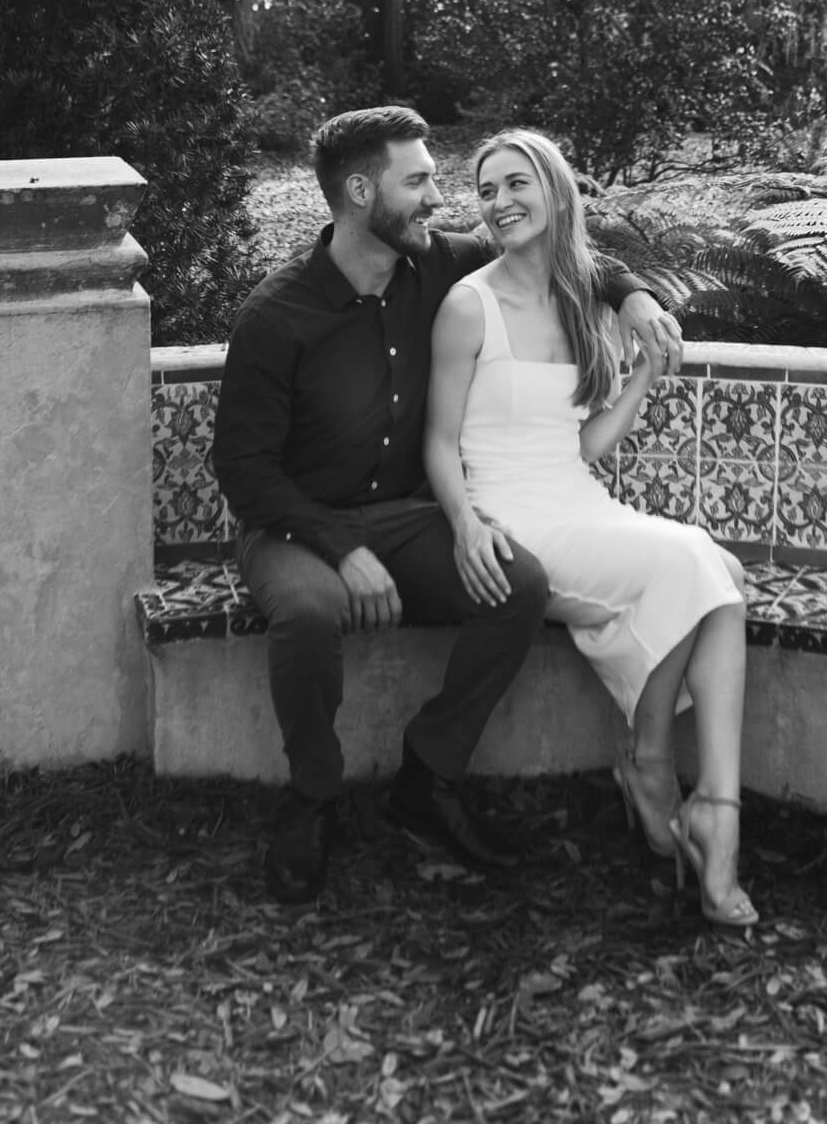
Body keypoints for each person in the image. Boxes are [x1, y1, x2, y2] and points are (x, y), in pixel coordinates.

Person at [211, 105, 682, 903]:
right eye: (419, 180)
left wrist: (631, 296)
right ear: (361, 192)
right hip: (293, 525)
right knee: (309, 613)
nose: (438, 198)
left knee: (517, 585)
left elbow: (550, 251)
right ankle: (314, 795)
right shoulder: (276, 316)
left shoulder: (434, 264)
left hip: (406, 516)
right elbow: (242, 466)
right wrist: (339, 548)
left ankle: (428, 779)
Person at [423, 127, 757, 930]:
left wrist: (642, 370)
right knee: (694, 565)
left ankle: (694, 792)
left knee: (720, 580)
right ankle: (680, 787)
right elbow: (438, 442)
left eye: (516, 185)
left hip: (576, 501)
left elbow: (580, 445)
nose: (499, 202)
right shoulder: (468, 306)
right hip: (512, 519)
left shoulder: (579, 301)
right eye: (487, 190)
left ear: (554, 192)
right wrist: (465, 524)